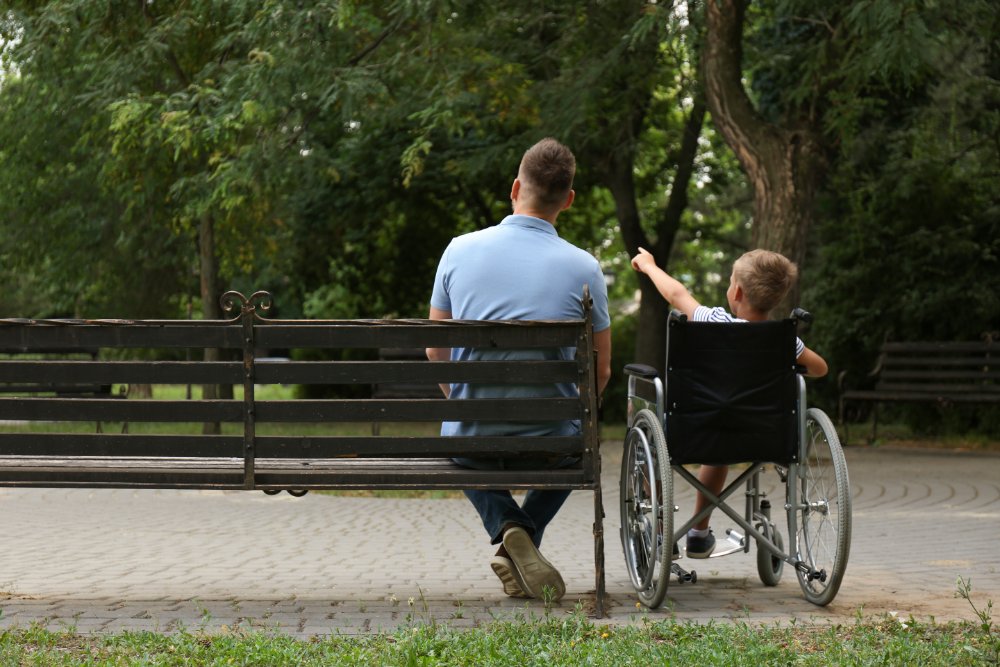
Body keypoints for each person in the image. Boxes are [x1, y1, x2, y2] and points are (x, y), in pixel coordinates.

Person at [426, 138, 612, 601]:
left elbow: (434, 350)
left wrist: (467, 407)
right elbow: (601, 369)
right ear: (568, 200)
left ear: (515, 187)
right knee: (579, 448)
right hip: (553, 441)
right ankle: (521, 541)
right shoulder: (585, 267)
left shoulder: (458, 250)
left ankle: (510, 527)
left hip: (475, 438)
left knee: (459, 443)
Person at [630, 246, 827, 558]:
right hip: (767, 435)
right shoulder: (786, 340)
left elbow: (676, 294)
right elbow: (820, 368)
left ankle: (662, 531)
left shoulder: (714, 320)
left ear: (736, 291)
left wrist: (650, 265)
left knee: (659, 434)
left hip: (699, 430)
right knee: (722, 445)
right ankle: (697, 534)